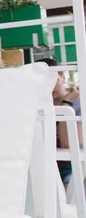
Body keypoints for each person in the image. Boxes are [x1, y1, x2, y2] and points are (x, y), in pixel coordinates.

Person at [37, 57, 81, 187]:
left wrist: (66, 104)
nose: (49, 87)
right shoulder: (38, 106)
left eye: (53, 80)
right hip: (45, 164)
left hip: (71, 165)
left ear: (63, 77)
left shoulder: (78, 104)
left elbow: (68, 144)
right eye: (43, 82)